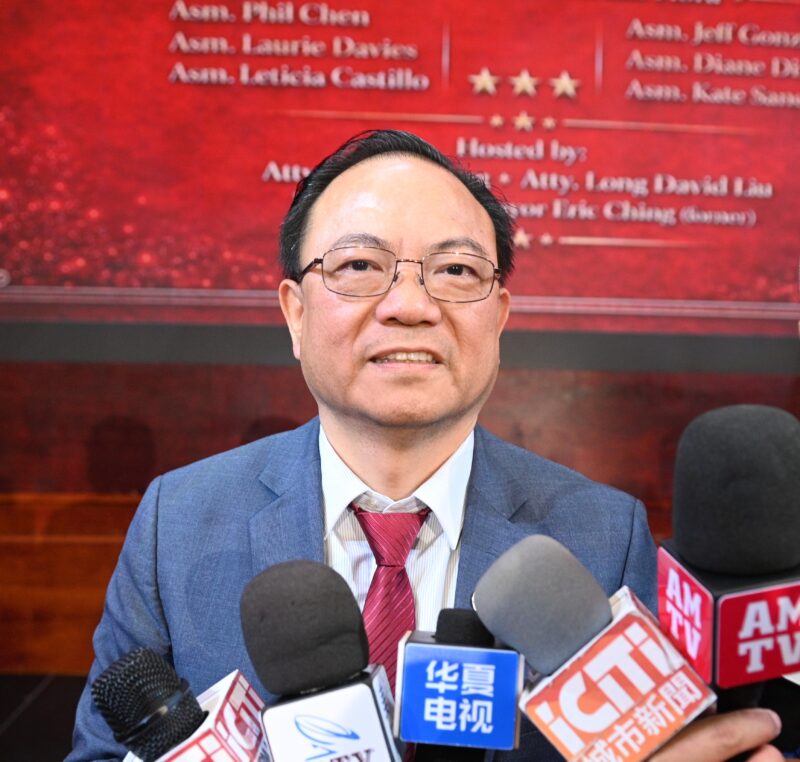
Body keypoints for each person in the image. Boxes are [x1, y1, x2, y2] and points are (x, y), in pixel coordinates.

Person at [67, 130, 785, 760]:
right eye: (358, 266)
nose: (410, 306)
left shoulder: (604, 535)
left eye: (456, 271)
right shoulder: (178, 522)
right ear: (295, 313)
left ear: (498, 317)